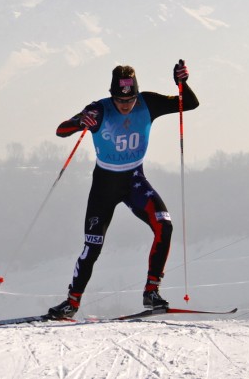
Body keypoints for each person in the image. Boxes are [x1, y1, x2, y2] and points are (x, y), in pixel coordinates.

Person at [48, 60, 199, 319]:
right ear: (112, 96)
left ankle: (151, 292)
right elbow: (61, 130)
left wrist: (182, 83)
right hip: (104, 187)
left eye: (129, 100)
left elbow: (190, 104)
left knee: (165, 225)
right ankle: (71, 303)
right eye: (119, 100)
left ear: (136, 95)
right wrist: (79, 123)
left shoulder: (148, 103)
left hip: (134, 181)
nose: (125, 105)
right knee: (92, 247)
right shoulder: (99, 109)